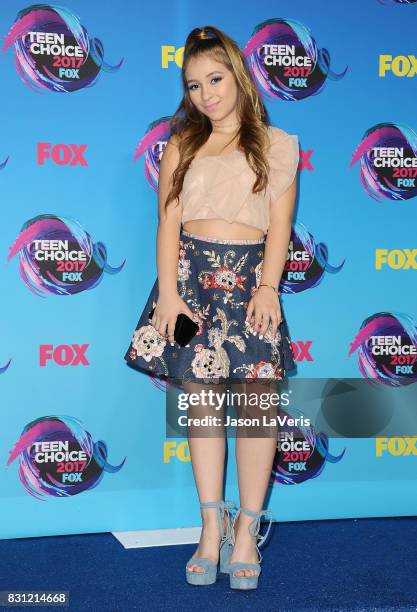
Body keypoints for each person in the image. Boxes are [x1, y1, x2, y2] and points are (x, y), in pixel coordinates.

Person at [124, 25, 299, 590]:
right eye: (195, 85)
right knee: (201, 411)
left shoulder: (278, 145)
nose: (207, 95)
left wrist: (269, 287)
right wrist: (169, 296)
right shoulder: (182, 142)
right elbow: (168, 222)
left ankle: (246, 530)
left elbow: (280, 226)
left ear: (239, 75)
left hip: (251, 284)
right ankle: (209, 527)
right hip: (191, 283)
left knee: (254, 411)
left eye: (215, 79)